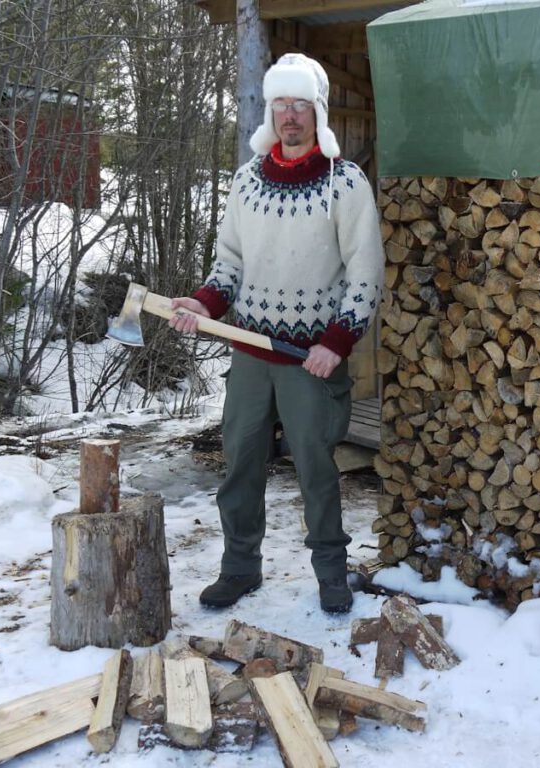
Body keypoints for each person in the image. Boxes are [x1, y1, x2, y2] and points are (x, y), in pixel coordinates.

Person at [169, 53, 384, 613]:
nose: (290, 116)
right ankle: (240, 568)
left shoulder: (345, 183)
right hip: (251, 352)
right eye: (280, 104)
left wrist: (335, 342)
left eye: (300, 104)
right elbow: (229, 264)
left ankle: (331, 573)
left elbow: (365, 273)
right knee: (239, 463)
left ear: (318, 111)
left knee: (315, 469)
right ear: (270, 112)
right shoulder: (246, 181)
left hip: (307, 356)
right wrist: (203, 302)